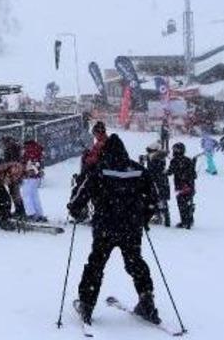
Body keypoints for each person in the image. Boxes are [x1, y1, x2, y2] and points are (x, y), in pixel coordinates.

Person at [69, 134, 160, 326]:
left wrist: (75, 208)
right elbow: (153, 198)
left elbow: (81, 194)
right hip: (131, 228)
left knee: (96, 264)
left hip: (105, 227)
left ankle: (86, 303)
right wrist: (142, 218)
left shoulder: (100, 170)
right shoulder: (138, 170)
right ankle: (146, 298)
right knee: (135, 262)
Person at [69, 121, 108, 222]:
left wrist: (87, 157)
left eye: (95, 133)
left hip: (94, 174)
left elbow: (94, 159)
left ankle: (80, 213)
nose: (94, 136)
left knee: (81, 192)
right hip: (98, 173)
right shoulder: (103, 142)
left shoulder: (101, 143)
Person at [166, 142, 197, 229]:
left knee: (182, 204)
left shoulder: (175, 160)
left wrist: (164, 172)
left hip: (181, 185)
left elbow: (170, 172)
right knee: (187, 202)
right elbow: (194, 175)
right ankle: (189, 220)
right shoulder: (188, 160)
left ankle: (185, 221)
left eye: (175, 149)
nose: (174, 151)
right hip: (190, 185)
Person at [0, 161, 25, 230]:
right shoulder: (17, 168)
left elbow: (14, 191)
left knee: (1, 200)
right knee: (5, 200)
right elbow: (10, 180)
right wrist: (20, 209)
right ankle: (4, 220)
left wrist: (20, 208)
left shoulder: (20, 174)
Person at [143, 141, 170, 227]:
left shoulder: (155, 158)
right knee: (161, 198)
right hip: (161, 180)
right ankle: (160, 215)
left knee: (156, 197)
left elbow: (152, 169)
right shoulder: (160, 157)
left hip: (156, 180)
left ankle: (158, 215)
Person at [20, 138, 46, 222]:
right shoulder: (37, 148)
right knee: (34, 195)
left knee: (26, 195)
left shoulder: (28, 150)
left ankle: (31, 214)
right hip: (36, 175)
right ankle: (39, 213)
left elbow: (27, 163)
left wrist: (25, 171)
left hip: (29, 175)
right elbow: (39, 162)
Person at [0, 136, 25, 218]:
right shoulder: (11, 149)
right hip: (13, 174)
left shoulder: (13, 149)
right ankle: (19, 210)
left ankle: (20, 211)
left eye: (4, 143)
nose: (3, 145)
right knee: (14, 192)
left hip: (14, 174)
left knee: (15, 193)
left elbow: (13, 162)